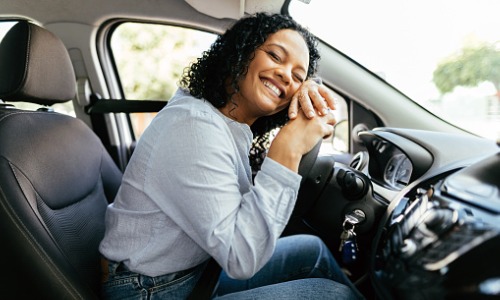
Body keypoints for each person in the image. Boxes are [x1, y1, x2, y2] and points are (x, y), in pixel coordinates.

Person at [99, 12, 363, 299]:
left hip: (196, 271)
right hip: (149, 289)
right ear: (238, 53)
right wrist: (287, 150)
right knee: (334, 296)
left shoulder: (222, 122)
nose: (287, 75)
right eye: (275, 56)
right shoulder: (194, 127)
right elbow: (241, 258)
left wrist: (309, 86)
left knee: (313, 251)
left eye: (297, 76)